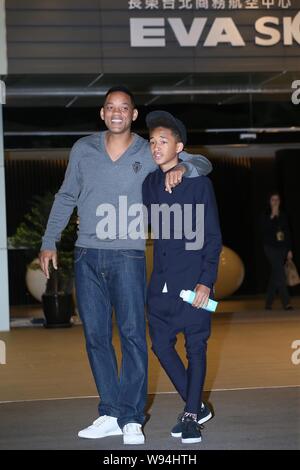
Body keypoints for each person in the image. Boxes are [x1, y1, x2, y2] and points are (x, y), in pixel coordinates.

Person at [39, 86, 213, 445]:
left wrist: (183, 165)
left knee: (134, 336)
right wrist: (48, 240)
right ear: (102, 114)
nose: (117, 112)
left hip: (129, 256)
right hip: (87, 254)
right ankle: (110, 412)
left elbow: (200, 162)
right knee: (96, 338)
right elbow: (66, 195)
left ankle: (132, 417)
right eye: (110, 107)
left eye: (124, 108)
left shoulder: (147, 150)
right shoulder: (83, 149)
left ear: (133, 115)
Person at [142, 111, 222, 444]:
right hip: (160, 284)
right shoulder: (148, 183)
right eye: (152, 141)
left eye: (164, 141)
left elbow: (212, 236)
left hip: (194, 284)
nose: (156, 146)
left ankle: (191, 415)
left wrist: (207, 280)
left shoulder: (199, 183)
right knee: (160, 345)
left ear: (179, 146)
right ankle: (197, 404)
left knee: (197, 348)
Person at [261, 191, 293, 310]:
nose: (275, 202)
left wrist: (289, 250)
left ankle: (268, 303)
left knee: (275, 275)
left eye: (277, 200)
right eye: (273, 200)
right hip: (270, 248)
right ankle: (287, 302)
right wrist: (272, 216)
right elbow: (264, 231)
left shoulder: (284, 215)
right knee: (280, 275)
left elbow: (288, 233)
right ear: (269, 202)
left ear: (280, 202)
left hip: (282, 248)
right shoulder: (265, 215)